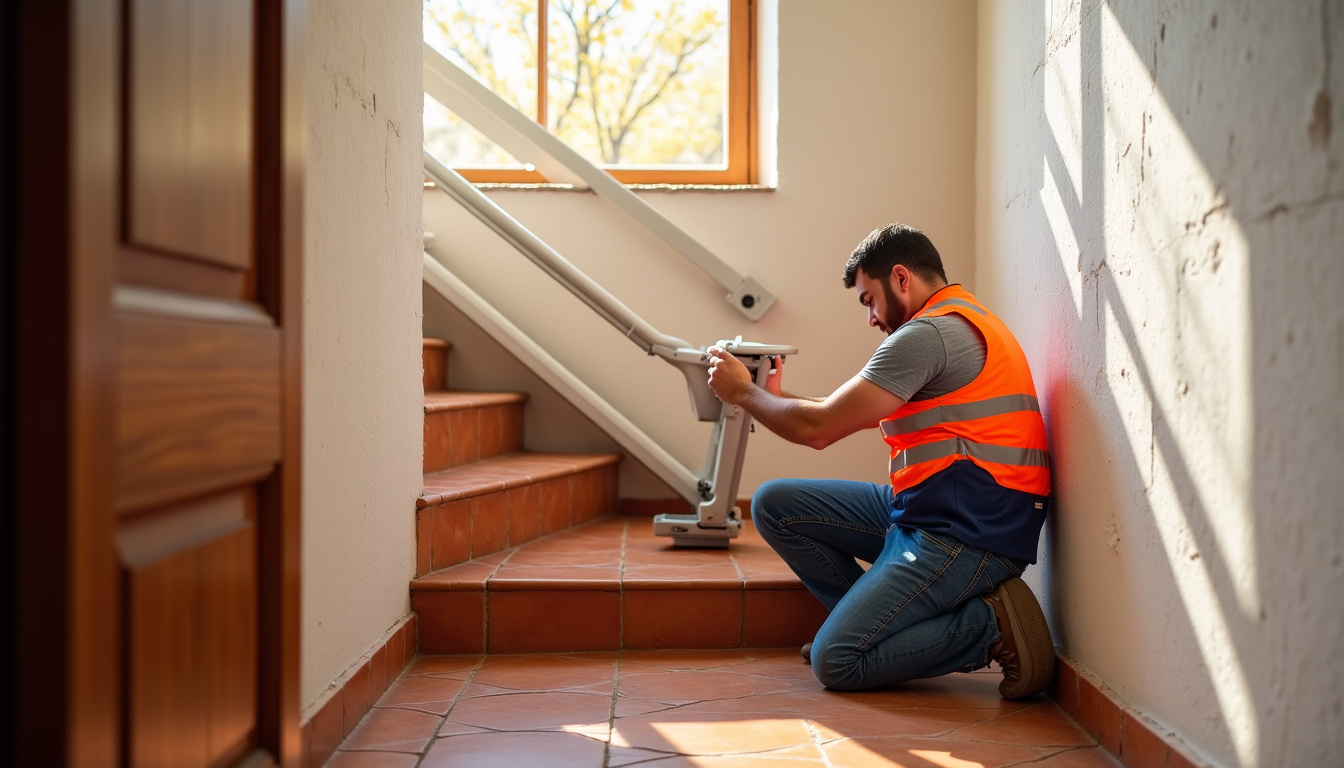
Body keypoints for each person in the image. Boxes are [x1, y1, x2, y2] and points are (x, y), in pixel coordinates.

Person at [705, 223, 1056, 699]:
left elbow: (819, 429)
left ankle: (986, 625)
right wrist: (779, 399)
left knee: (838, 662)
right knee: (775, 504)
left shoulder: (927, 336)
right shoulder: (962, 320)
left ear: (900, 278)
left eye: (869, 299)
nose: (870, 317)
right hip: (937, 510)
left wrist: (742, 392)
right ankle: (874, 627)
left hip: (967, 534)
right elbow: (835, 414)